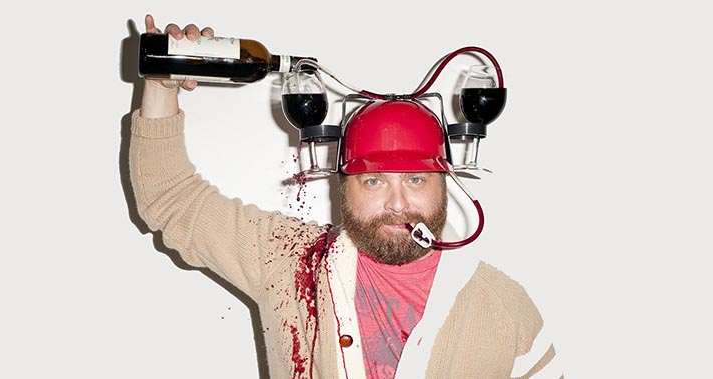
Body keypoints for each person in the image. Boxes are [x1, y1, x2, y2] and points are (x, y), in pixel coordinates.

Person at [129, 15, 562, 379]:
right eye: (374, 182)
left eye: (415, 180)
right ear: (343, 188)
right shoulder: (289, 260)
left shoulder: (506, 309)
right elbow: (171, 199)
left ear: (446, 182)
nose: (397, 203)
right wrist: (162, 88)